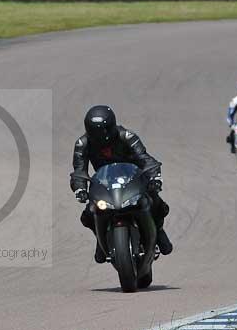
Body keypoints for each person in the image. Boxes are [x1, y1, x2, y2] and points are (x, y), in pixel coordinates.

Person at [70, 105, 173, 264]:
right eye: (95, 131)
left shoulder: (126, 136)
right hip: (104, 185)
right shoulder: (82, 144)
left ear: (111, 126)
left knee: (156, 203)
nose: (100, 136)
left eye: (103, 131)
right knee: (88, 215)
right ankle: (100, 237)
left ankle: (158, 231)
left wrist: (154, 177)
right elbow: (79, 170)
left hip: (133, 180)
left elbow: (144, 158)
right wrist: (80, 188)